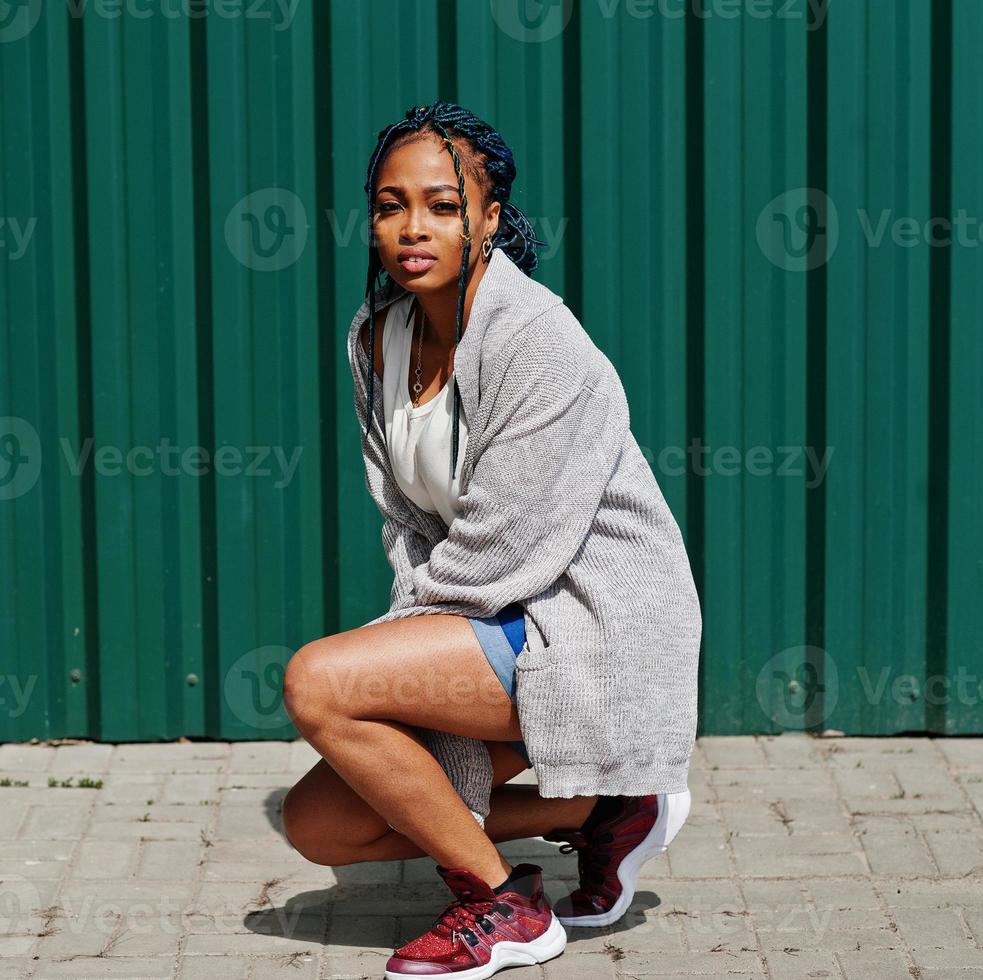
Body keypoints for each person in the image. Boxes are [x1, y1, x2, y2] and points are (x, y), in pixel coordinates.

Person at [280, 100, 701, 980]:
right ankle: (597, 807)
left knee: (319, 681)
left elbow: (508, 546)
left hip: (585, 622)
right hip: (487, 612)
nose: (412, 227)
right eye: (390, 204)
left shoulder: (534, 338)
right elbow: (407, 523)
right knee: (322, 825)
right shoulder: (379, 338)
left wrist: (388, 665)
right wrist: (403, 649)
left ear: (489, 219)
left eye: (441, 204)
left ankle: (500, 903)